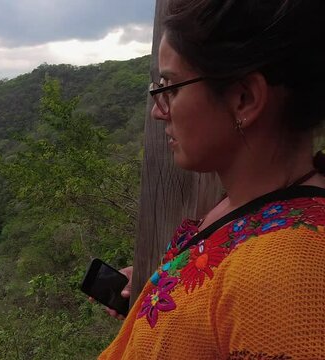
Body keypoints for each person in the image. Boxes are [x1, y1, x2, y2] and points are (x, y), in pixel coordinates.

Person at [98, 1, 325, 359]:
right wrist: (155, 288)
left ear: (243, 98)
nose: (159, 111)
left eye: (171, 87)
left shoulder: (285, 274)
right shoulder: (246, 202)